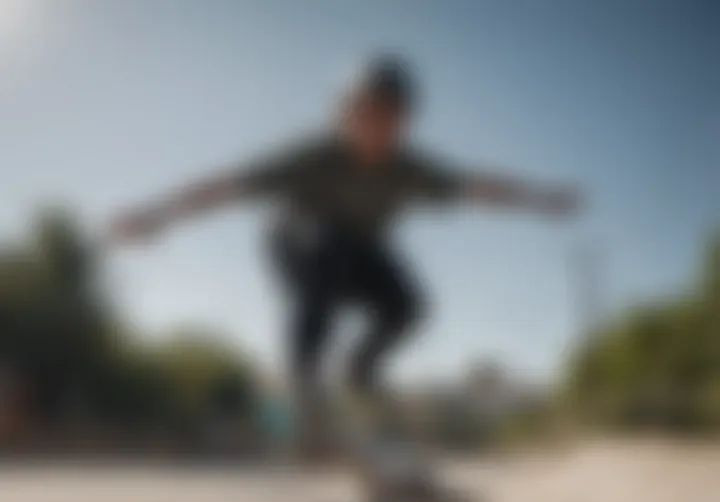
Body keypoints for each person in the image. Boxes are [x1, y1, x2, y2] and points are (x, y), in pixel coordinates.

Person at [106, 53, 582, 467]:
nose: (377, 128)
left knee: (409, 305)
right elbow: (226, 188)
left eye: (389, 118)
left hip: (355, 257)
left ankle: (360, 372)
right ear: (345, 113)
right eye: (366, 115)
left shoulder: (410, 168)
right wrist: (155, 215)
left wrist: (541, 200)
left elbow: (478, 188)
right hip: (295, 247)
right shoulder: (312, 155)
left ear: (404, 121)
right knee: (329, 243)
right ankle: (305, 387)